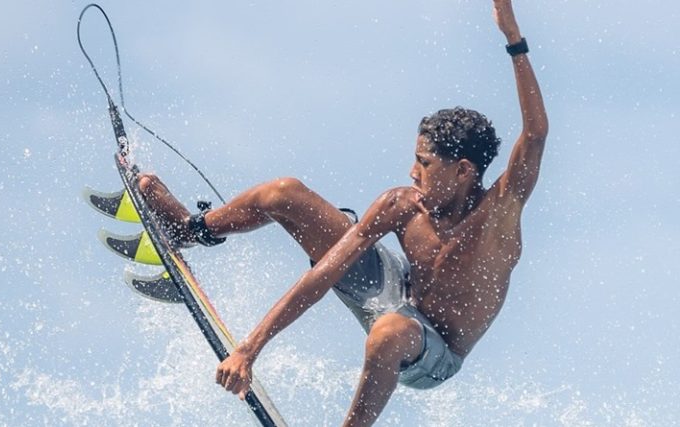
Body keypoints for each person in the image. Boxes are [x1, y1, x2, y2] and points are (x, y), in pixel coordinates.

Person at [138, 1, 547, 425]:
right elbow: (325, 272)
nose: (412, 171)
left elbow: (534, 135)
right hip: (393, 292)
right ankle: (190, 230)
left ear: (463, 170)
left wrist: (513, 37)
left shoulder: (497, 214)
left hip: (433, 352)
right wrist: (248, 349)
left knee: (389, 331)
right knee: (284, 193)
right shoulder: (402, 205)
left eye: (424, 164)